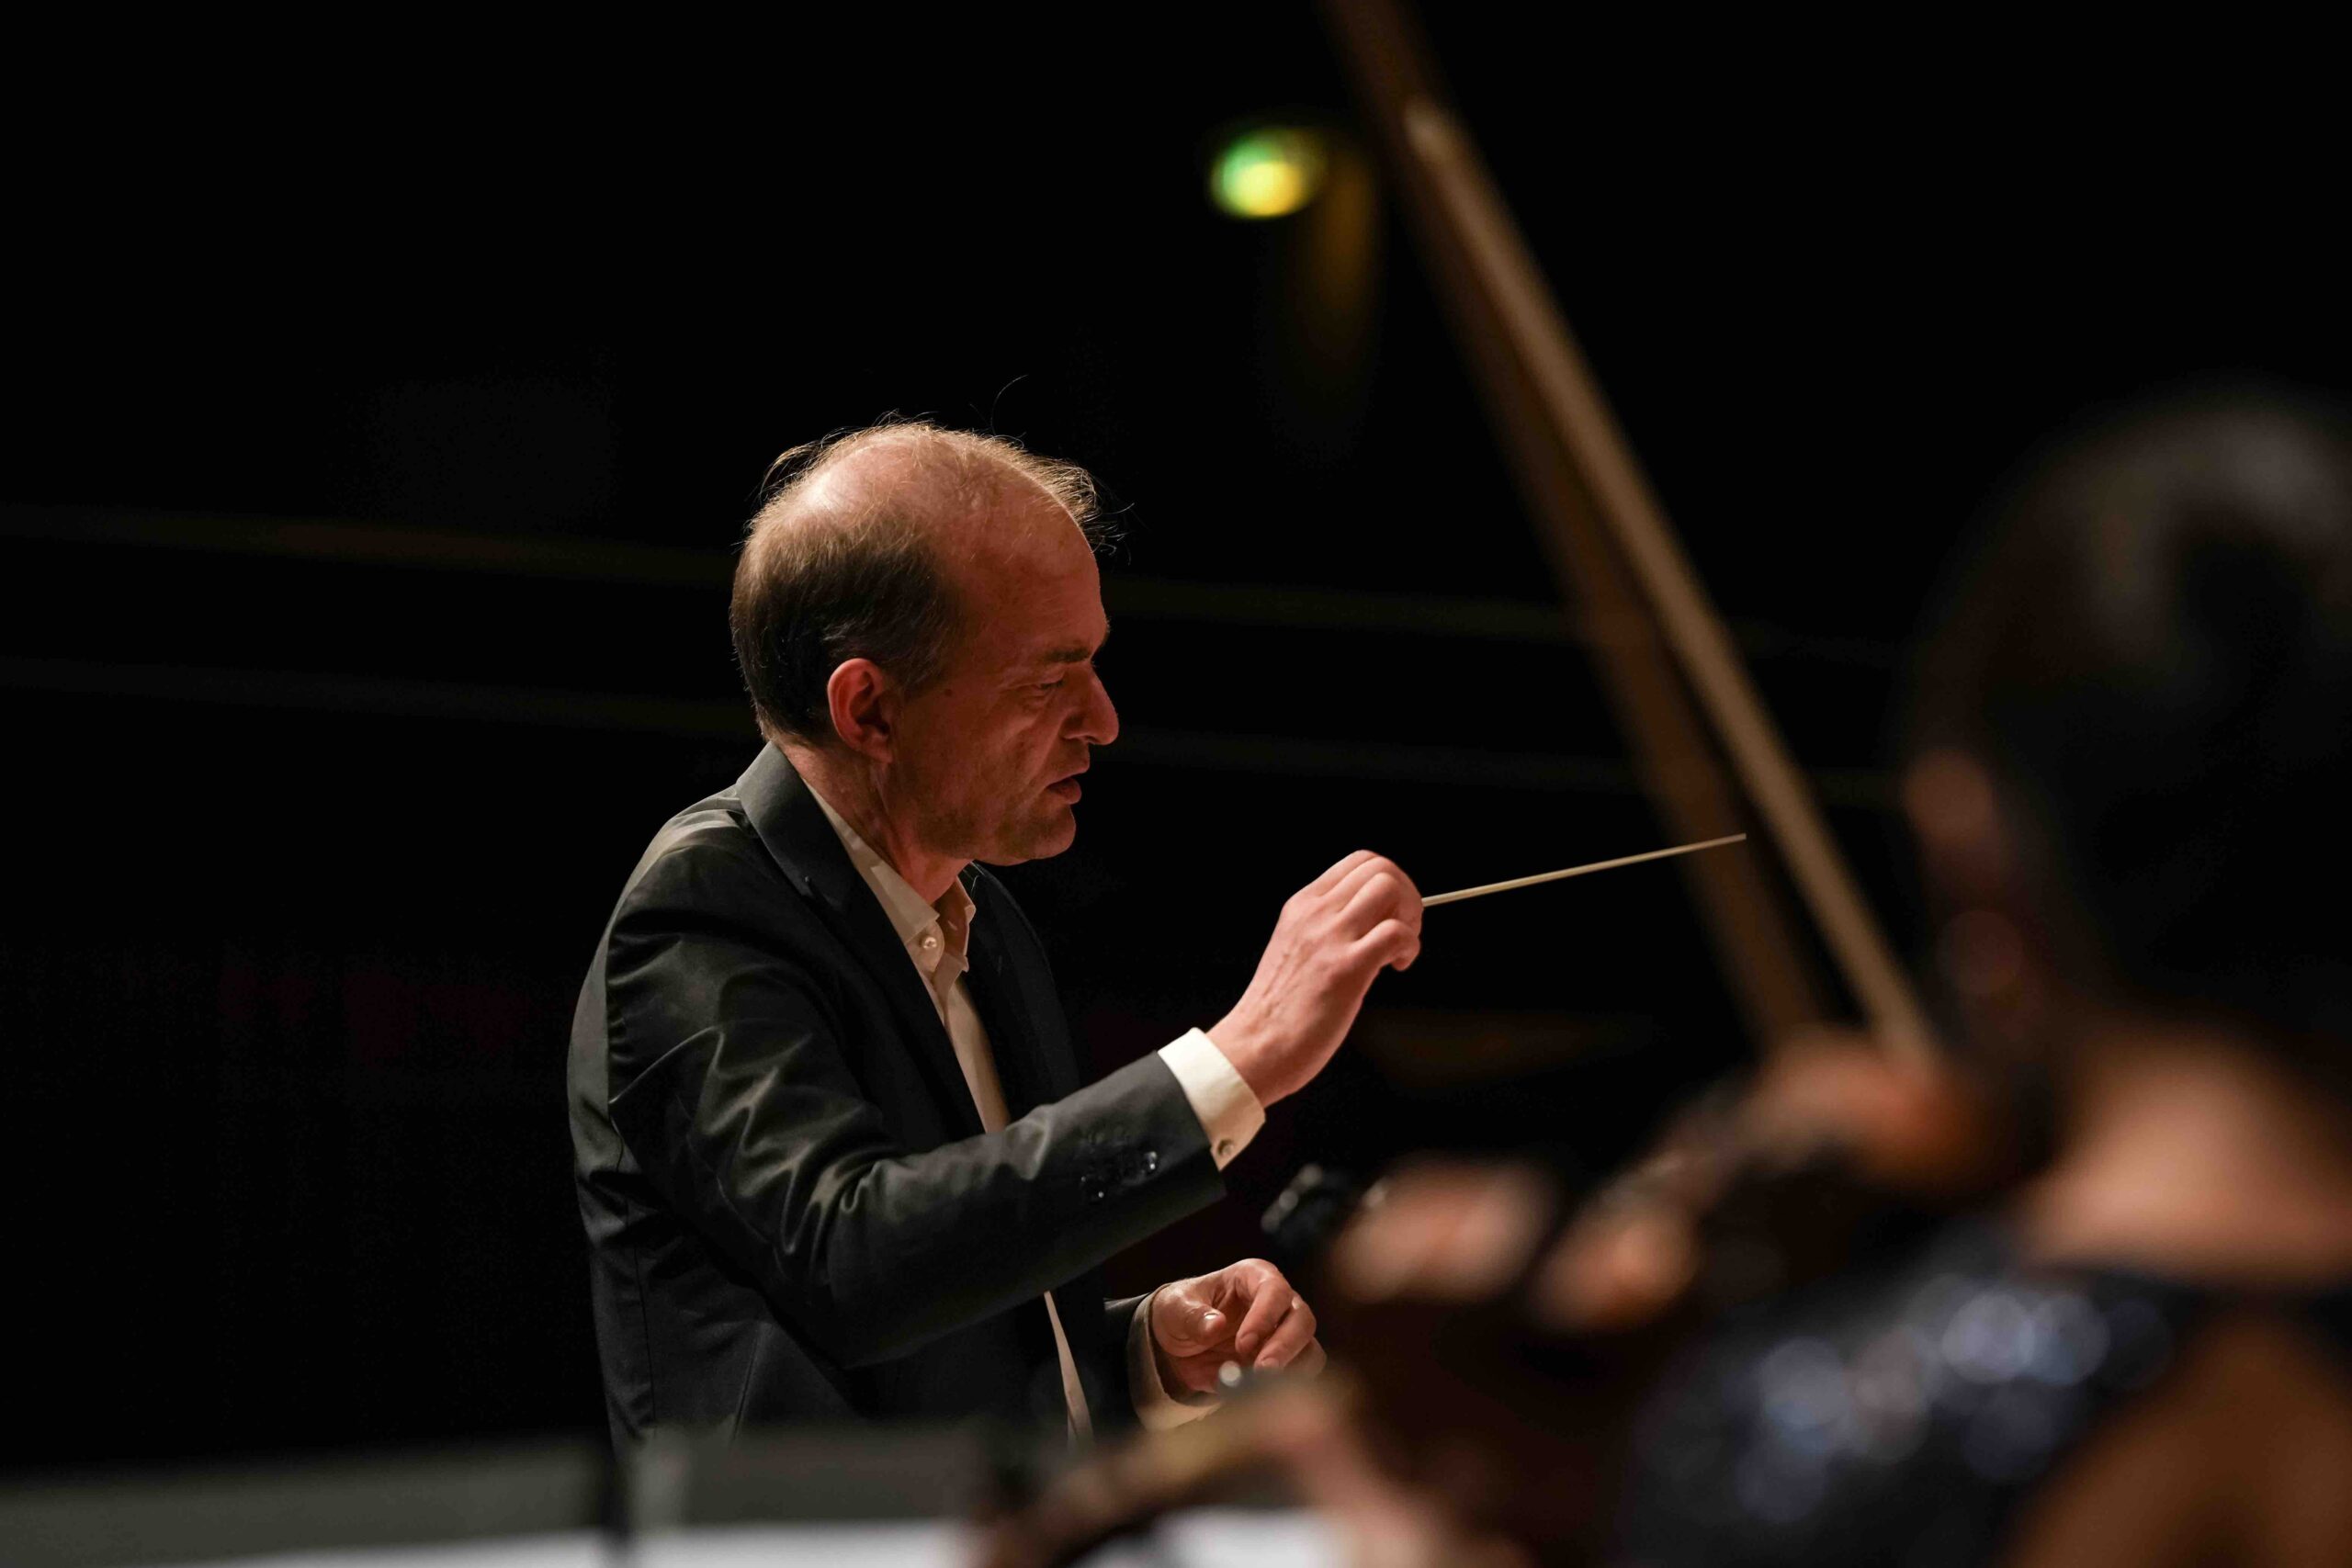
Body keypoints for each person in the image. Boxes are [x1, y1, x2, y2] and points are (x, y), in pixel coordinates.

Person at [567, 421, 1422, 1449]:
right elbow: (857, 1263)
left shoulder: (987, 919)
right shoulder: (705, 910)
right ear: (870, 710)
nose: (1102, 720)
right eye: (1045, 682)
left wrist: (1145, 1352)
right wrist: (1236, 1060)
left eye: (1095, 668)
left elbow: (964, 1295)